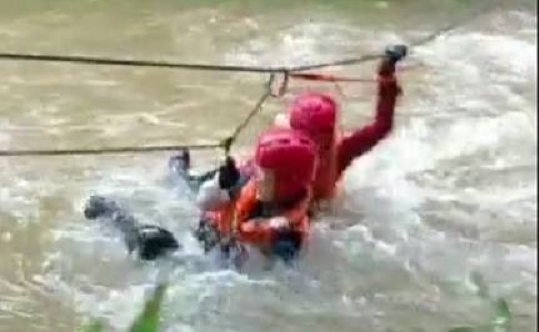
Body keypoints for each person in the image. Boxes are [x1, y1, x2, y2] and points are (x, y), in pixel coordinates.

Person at [173, 127, 318, 263]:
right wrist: (219, 184)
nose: (258, 177)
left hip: (227, 252)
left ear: (285, 184)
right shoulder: (250, 180)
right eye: (259, 169)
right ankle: (178, 169)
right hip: (214, 230)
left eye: (265, 174)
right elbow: (203, 203)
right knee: (191, 183)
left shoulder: (288, 238)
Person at [287, 44, 407, 207]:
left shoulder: (340, 152)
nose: (318, 148)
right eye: (313, 139)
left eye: (322, 139)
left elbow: (382, 126)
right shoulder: (281, 150)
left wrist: (387, 77)